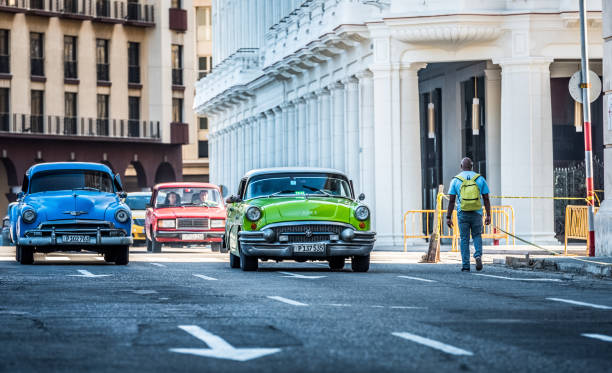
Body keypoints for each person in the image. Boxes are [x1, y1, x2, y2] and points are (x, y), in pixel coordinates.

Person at [446, 157, 491, 272]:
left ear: (461, 167)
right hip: (477, 213)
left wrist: (448, 217)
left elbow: (451, 200)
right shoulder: (479, 178)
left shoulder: (456, 180)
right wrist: (488, 215)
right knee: (477, 235)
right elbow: (486, 198)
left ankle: (465, 265)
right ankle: (477, 255)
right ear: (472, 166)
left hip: (463, 213)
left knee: (464, 238)